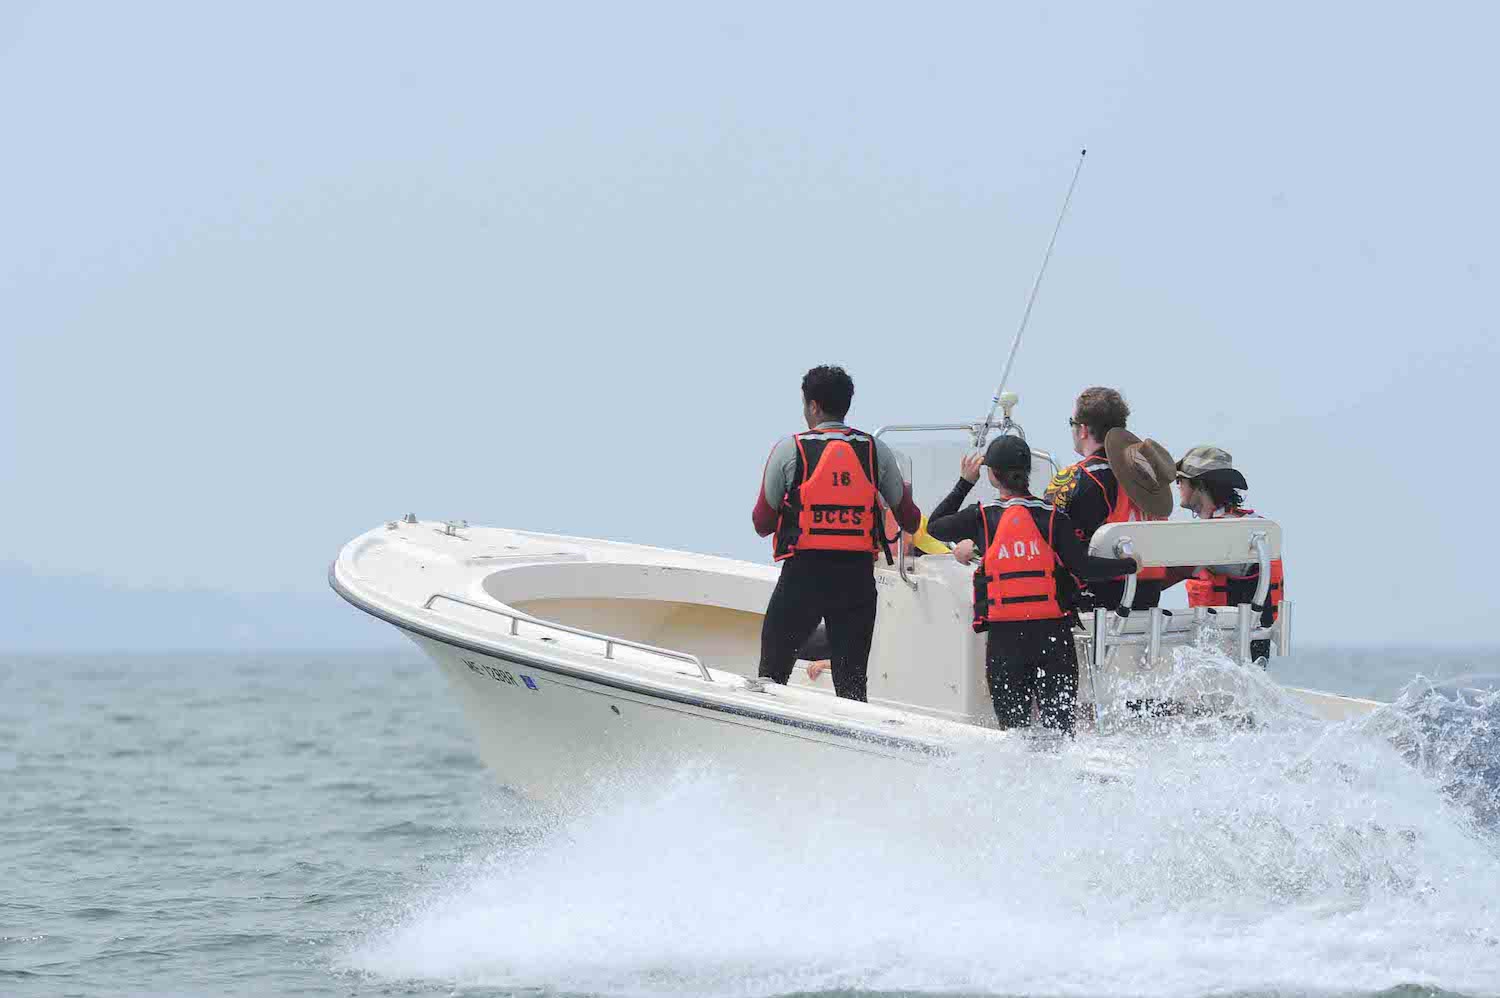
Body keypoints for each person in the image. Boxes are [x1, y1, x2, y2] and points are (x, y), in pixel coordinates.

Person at [926, 435, 1137, 734]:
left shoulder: (983, 516)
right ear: (1027, 473)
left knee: (1014, 736)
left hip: (1004, 642)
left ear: (992, 474)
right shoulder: (1053, 518)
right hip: (1053, 639)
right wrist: (1129, 565)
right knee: (1061, 734)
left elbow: (935, 526)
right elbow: (1085, 568)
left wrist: (964, 482)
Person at [752, 365, 921, 701]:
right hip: (855, 579)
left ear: (813, 406)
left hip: (803, 575)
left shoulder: (789, 450)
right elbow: (910, 520)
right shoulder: (876, 451)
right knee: (852, 682)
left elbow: (761, 523)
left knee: (772, 671)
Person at [1044, 387, 1174, 611]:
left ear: (1083, 430)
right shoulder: (1149, 475)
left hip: (1098, 608)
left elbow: (1039, 532)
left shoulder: (1077, 478)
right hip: (1148, 603)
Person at [1172, 446, 1285, 662]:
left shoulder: (1228, 534)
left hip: (1228, 648)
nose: (1177, 485)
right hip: (1247, 645)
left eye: (1181, 479)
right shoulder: (1253, 526)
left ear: (1200, 486)